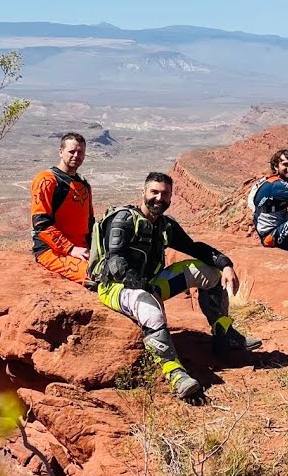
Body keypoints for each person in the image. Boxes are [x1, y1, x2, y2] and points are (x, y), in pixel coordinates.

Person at [93, 172, 262, 399]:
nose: (159, 198)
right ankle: (175, 374)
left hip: (150, 284)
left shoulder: (165, 225)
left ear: (171, 197)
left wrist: (226, 264)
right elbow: (115, 262)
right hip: (117, 288)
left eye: (165, 194)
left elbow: (195, 248)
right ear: (143, 192)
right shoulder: (123, 220)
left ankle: (224, 332)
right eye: (154, 192)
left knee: (209, 273)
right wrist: (141, 286)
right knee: (150, 310)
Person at [30, 132, 94, 282]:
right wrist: (70, 249)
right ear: (61, 152)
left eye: (80, 152)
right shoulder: (46, 180)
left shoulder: (84, 184)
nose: (76, 155)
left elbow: (89, 222)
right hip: (53, 251)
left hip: (82, 249)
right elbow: (41, 223)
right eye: (71, 151)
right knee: (93, 275)